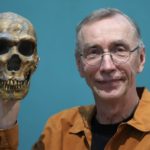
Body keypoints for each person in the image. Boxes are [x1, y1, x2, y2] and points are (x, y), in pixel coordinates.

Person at [0, 8, 150, 150]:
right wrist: (6, 113)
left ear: (141, 59)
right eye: (94, 52)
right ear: (79, 65)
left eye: (119, 50)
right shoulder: (58, 131)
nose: (107, 66)